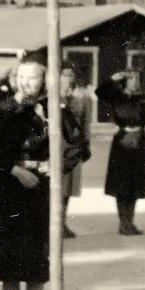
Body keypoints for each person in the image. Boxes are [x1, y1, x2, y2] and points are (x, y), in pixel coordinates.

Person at [0, 54, 89, 290]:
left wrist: (53, 169)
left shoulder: (54, 110)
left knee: (34, 266)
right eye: (23, 77)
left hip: (39, 194)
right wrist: (15, 170)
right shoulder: (4, 111)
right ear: (16, 78)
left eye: (35, 77)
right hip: (8, 192)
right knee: (8, 266)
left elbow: (80, 145)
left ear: (45, 80)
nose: (29, 83)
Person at [96, 70, 145, 236]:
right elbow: (99, 92)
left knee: (135, 185)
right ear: (125, 80)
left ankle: (130, 222)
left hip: (139, 143)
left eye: (137, 78)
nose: (135, 81)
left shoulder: (144, 99)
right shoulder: (116, 96)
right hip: (121, 142)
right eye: (131, 78)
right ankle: (123, 223)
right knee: (121, 184)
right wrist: (112, 78)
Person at [58, 66, 92, 239]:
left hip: (74, 146)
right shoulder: (52, 95)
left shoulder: (82, 97)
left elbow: (86, 123)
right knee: (56, 186)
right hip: (56, 146)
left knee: (68, 189)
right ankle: (53, 223)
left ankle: (62, 222)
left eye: (71, 74)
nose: (68, 78)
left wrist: (86, 145)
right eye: (64, 74)